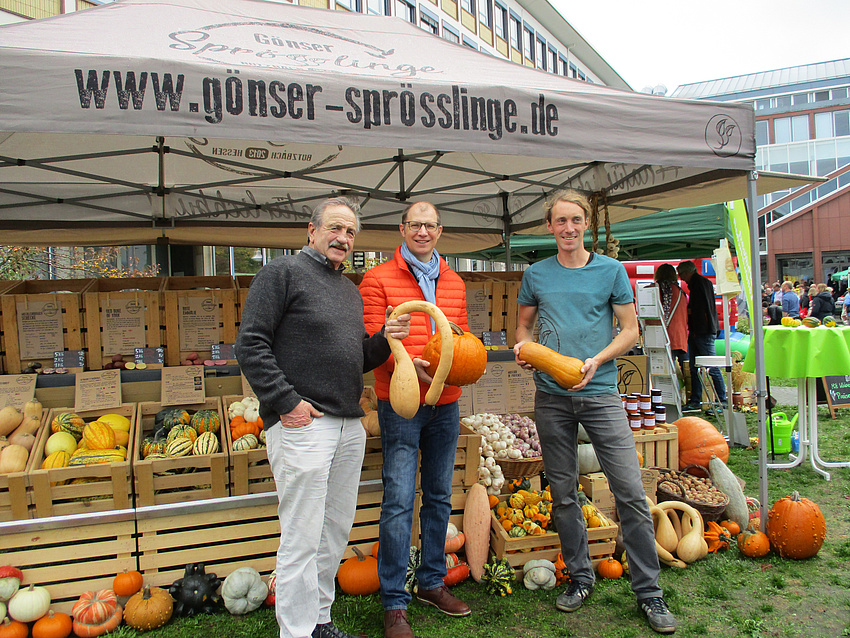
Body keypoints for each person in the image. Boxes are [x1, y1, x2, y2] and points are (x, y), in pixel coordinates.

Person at [235, 196, 411, 638]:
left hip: (349, 424)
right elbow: (250, 344)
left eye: (350, 232)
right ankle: (295, 632)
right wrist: (285, 401)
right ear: (311, 231)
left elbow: (356, 358)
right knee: (302, 535)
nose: (343, 238)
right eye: (335, 228)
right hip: (304, 424)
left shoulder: (348, 291)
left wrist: (385, 338)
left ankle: (318, 620)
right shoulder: (281, 273)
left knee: (333, 531)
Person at [513, 189, 676, 635]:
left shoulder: (610, 271)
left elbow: (630, 329)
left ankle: (649, 592)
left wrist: (598, 360)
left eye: (575, 220)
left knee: (629, 490)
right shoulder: (536, 274)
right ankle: (581, 577)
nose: (568, 228)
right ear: (550, 226)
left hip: (602, 394)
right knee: (563, 492)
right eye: (560, 221)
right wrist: (525, 351)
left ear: (586, 223)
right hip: (551, 397)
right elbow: (523, 327)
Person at [359, 201, 471, 638]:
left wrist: (461, 361)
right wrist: (406, 361)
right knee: (400, 499)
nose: (422, 232)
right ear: (402, 229)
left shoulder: (455, 282)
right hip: (401, 403)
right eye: (414, 225)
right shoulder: (377, 279)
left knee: (439, 495)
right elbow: (372, 340)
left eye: (430, 225)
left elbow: (461, 337)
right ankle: (394, 601)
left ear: (439, 231)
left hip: (447, 402)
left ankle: (431, 582)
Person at [677, 260, 726, 412]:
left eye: (681, 274)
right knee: (694, 367)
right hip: (700, 330)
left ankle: (722, 401)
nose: (681, 278)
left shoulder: (698, 284)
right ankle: (696, 400)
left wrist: (685, 311)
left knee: (711, 366)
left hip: (703, 331)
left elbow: (699, 309)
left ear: (687, 272)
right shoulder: (703, 283)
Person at [653, 263, 689, 398]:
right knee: (677, 369)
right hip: (679, 335)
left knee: (666, 371)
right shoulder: (680, 291)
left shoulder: (660, 289)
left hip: (664, 335)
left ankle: (670, 398)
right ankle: (680, 397)